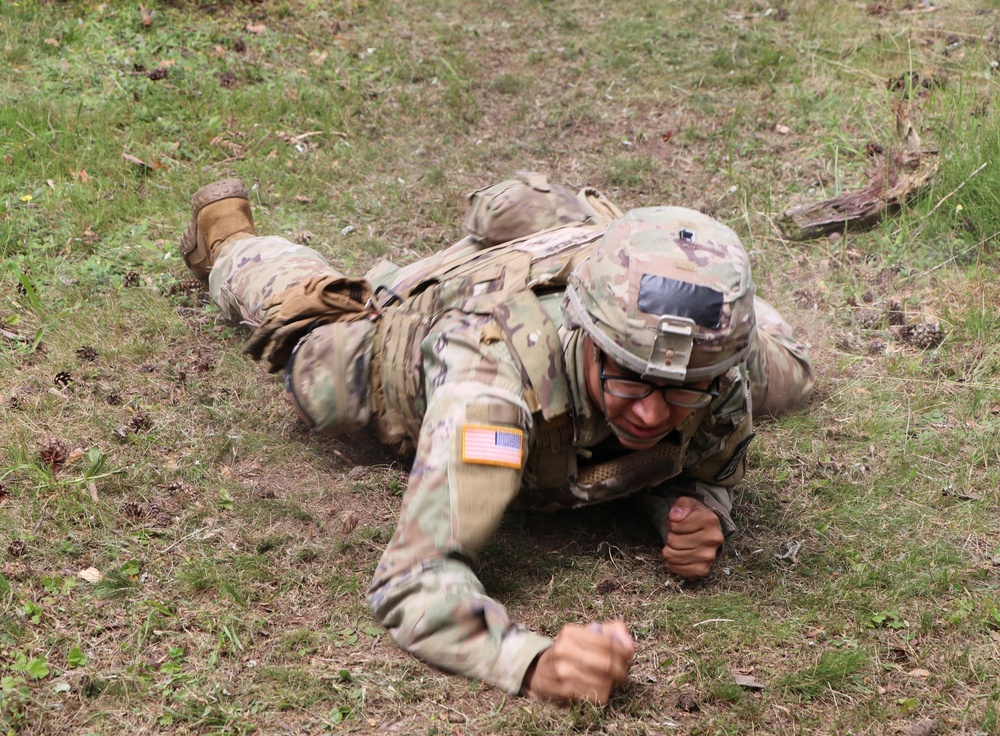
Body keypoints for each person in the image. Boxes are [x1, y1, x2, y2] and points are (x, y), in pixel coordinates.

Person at [178, 173, 814, 706]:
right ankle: (234, 242)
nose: (650, 412)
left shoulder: (716, 375)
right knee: (316, 354)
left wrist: (697, 507)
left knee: (796, 378)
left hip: (583, 264)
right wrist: (532, 663)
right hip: (408, 338)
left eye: (680, 389)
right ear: (588, 335)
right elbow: (413, 581)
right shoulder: (491, 390)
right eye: (627, 378)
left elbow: (706, 463)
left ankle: (577, 224)